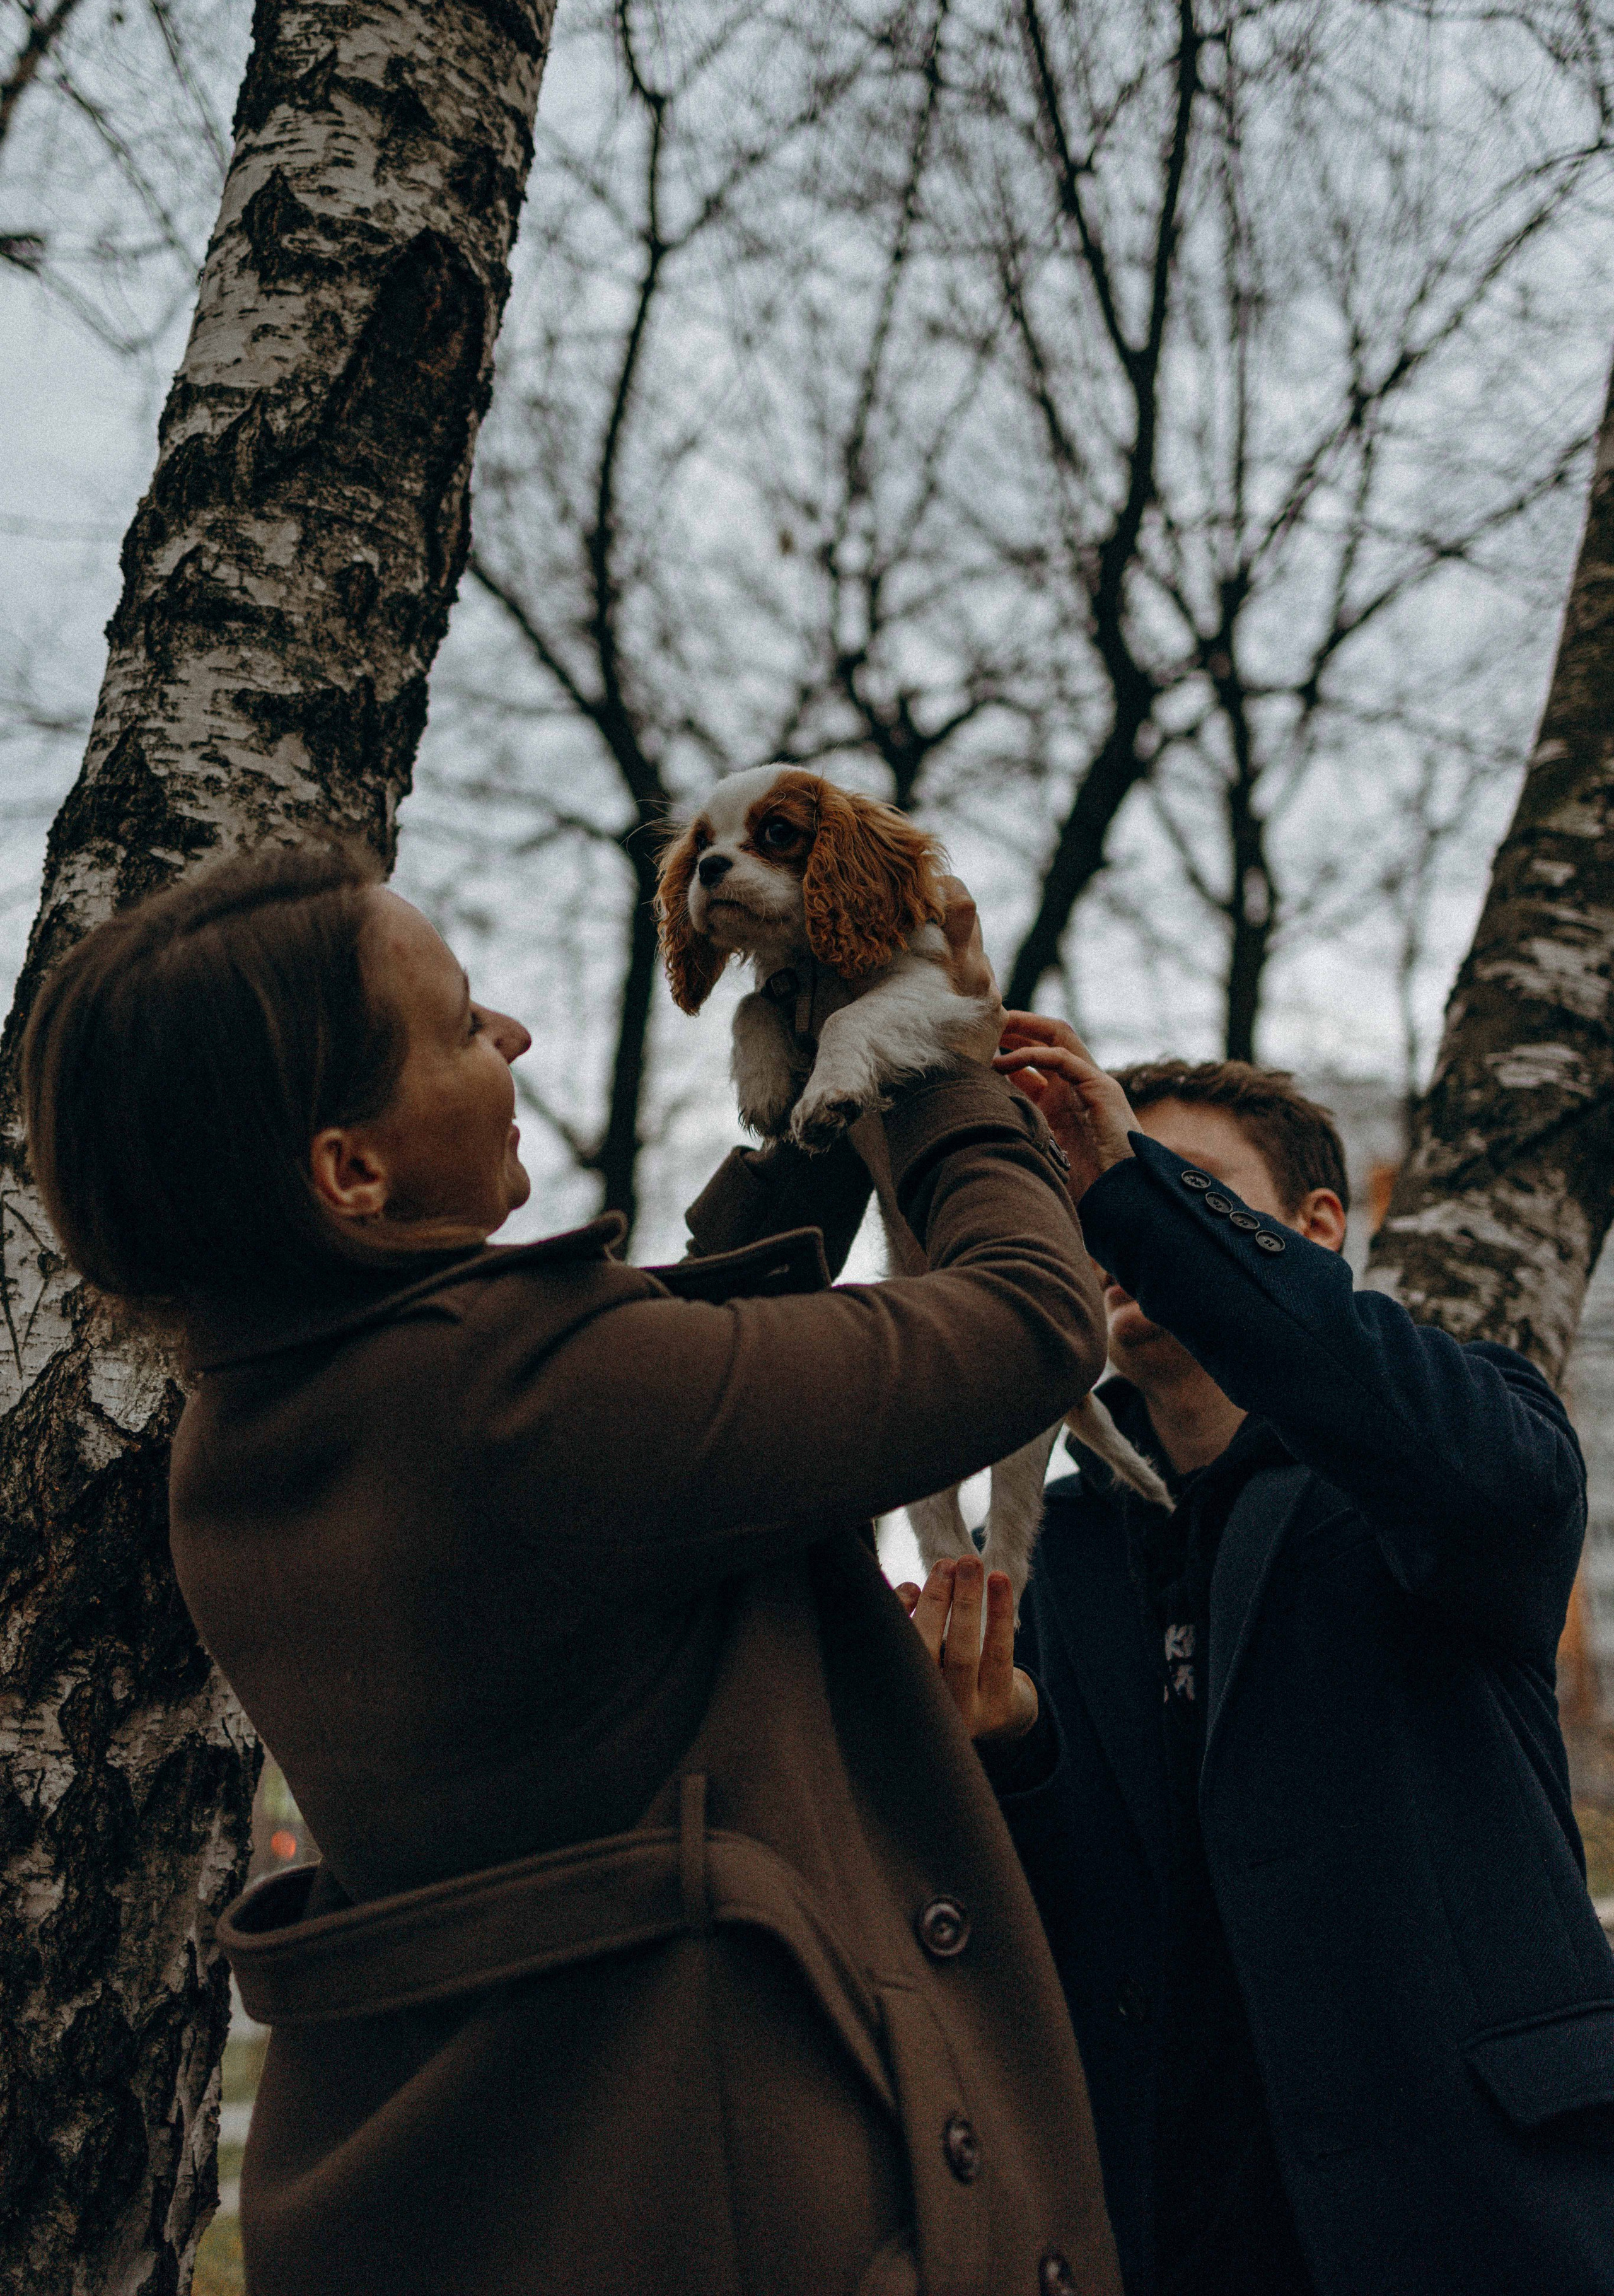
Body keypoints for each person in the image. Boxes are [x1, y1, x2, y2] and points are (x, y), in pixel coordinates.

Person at [22, 843, 1124, 2296]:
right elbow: (1032, 1316)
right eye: (460, 1023)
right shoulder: (520, 1405)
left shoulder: (269, 1419)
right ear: (350, 1169)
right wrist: (925, 1046)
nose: (515, 1034)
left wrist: (816, 1077)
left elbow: (696, 1375)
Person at [902, 1018, 1614, 2296]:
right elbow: (1072, 1927)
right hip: (1171, 2234)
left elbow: (1487, 1489)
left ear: (1318, 1226)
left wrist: (1141, 1190)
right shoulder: (1043, 1548)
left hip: (1477, 2221)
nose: (1115, 1226)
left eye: (1175, 1183)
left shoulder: (1448, 1441)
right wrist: (1011, 1750)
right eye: (1089, 1203)